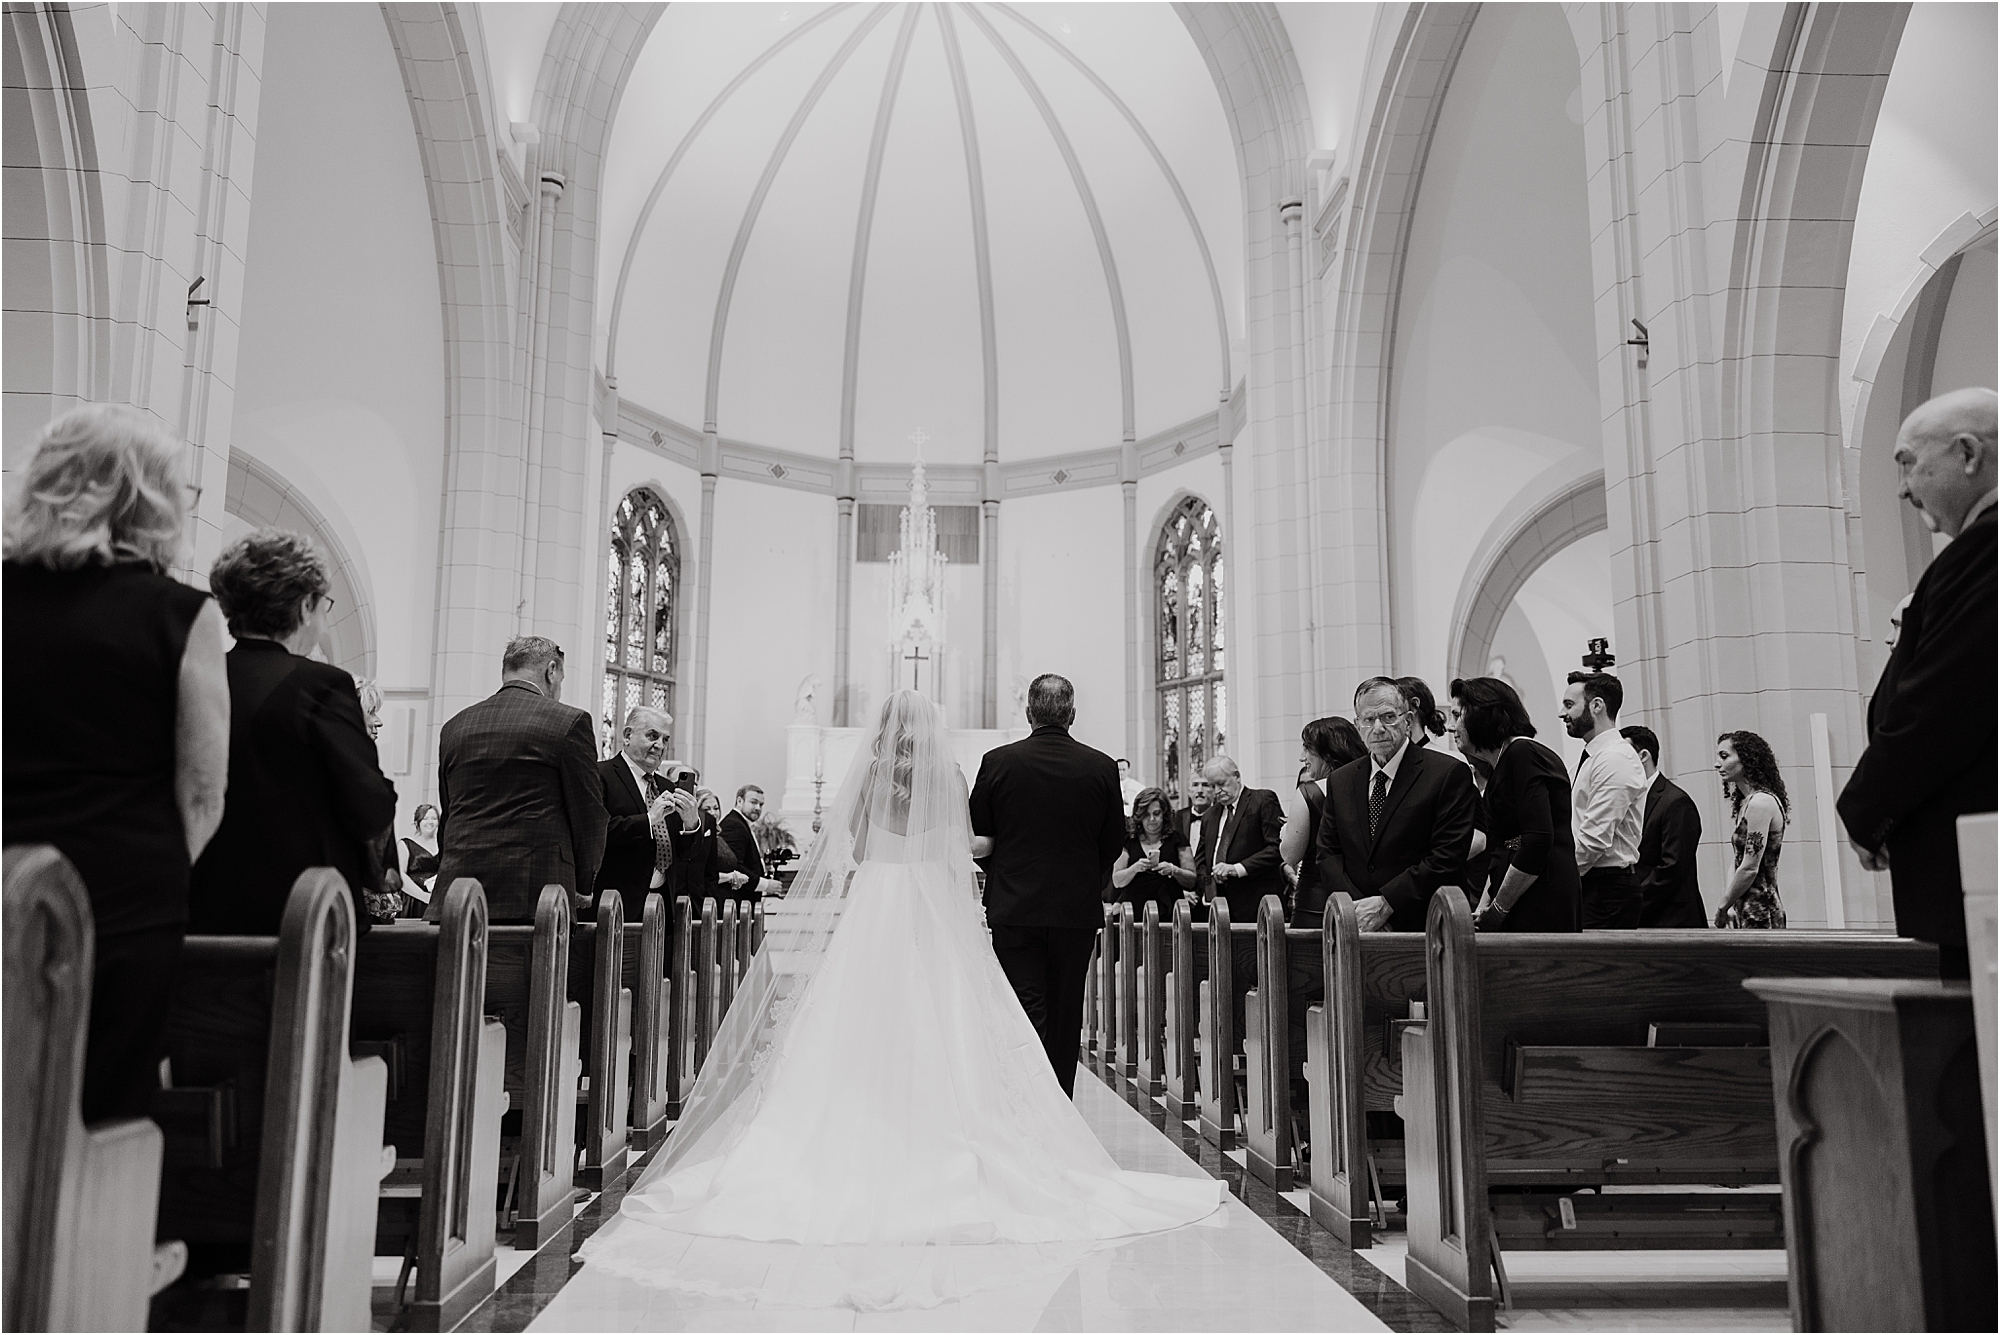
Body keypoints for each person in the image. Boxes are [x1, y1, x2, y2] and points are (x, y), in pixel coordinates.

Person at [576, 690, 1222, 1308]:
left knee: (855, 1020)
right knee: (946, 1015)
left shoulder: (869, 778)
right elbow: (960, 846)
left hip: (876, 904)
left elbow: (852, 848)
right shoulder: (944, 773)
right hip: (928, 905)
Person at [3, 403, 229, 1124]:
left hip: (5, 864)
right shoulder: (182, 614)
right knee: (97, 1110)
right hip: (126, 892)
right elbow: (202, 790)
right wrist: (156, 875)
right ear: (148, 501)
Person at [1839, 387, 1997, 979]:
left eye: (1908, 462)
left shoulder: (1987, 548)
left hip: (1979, 870)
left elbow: (1942, 704)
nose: (1902, 489)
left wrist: (1868, 809)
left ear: (1967, 453)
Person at [188, 530, 398, 935]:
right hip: (301, 914)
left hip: (202, 905)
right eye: (324, 607)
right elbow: (369, 805)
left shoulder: (198, 677)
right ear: (305, 606)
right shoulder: (320, 686)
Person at [969, 673, 1127, 1098]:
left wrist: (1004, 871)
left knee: (1023, 1006)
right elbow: (1114, 839)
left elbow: (977, 837)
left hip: (1014, 908)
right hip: (1074, 910)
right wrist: (1083, 878)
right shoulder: (1101, 766)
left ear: (1028, 714)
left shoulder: (997, 762)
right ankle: (1059, 1102)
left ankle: (1025, 1102)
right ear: (1072, 715)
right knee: (1065, 1010)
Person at [434, 636, 606, 923]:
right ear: (551, 671)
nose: (559, 690)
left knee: (460, 968)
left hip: (458, 893)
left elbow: (449, 810)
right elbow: (589, 814)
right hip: (536, 895)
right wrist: (584, 883)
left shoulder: (455, 726)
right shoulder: (568, 722)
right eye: (560, 680)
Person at [1317, 677, 1477, 932]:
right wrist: (1358, 908)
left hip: (1425, 924)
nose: (1378, 727)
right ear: (1358, 726)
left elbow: (1447, 855)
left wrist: (1386, 903)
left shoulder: (1447, 773)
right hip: (1355, 924)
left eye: (1388, 716)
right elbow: (1327, 853)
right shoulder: (1341, 780)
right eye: (1368, 719)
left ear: (1407, 720)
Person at [1448, 677, 1579, 932]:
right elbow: (1500, 849)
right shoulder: (1503, 762)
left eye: (1458, 714)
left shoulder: (1523, 753)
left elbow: (1537, 840)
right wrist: (1484, 909)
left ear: (1482, 714)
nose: (1453, 727)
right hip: (1517, 891)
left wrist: (1498, 909)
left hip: (1541, 892)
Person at [1562, 671, 1648, 929]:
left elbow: (1594, 840)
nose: (1562, 713)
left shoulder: (1615, 758)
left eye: (1569, 705)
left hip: (1608, 888)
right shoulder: (1588, 758)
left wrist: (1558, 879)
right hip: (1591, 882)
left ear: (1596, 705)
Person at [1280, 716, 1366, 929]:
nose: (1302, 757)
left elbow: (1290, 855)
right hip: (1364, 902)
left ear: (1327, 752)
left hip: (1316, 904)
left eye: (1307, 749)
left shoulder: (1310, 794)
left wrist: (1285, 832)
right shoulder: (1371, 786)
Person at [1622, 725, 1706, 928]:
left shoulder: (1675, 802)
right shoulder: (1626, 798)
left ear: (1643, 756)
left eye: (1623, 754)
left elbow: (1672, 867)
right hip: (1642, 917)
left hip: (1672, 919)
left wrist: (1633, 903)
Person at [595, 705, 674, 920]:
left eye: (665, 739)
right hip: (616, 903)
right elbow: (598, 832)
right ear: (628, 735)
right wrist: (649, 820)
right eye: (652, 736)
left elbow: (685, 853)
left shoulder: (667, 786)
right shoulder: (601, 775)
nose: (659, 745)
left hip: (665, 905)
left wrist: (691, 824)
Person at [1714, 731, 1788, 929]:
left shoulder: (1761, 803)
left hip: (1762, 909)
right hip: (1745, 905)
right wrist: (1729, 903)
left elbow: (1750, 867)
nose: (1717, 764)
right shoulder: (1747, 802)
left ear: (1746, 758)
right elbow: (1737, 860)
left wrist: (1723, 906)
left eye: (1724, 756)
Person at [1109, 786, 1195, 916]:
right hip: (1133, 913)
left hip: (1170, 910)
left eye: (1156, 814)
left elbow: (1191, 879)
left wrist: (1173, 870)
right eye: (1146, 815)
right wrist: (1135, 868)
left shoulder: (1177, 839)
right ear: (1139, 816)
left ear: (1164, 814)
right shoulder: (1129, 840)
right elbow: (1117, 881)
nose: (1151, 820)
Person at [718, 784, 784, 902]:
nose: (758, 808)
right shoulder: (733, 825)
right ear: (739, 801)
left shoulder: (741, 823)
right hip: (738, 900)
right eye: (753, 802)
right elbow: (734, 865)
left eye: (761, 804)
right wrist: (765, 884)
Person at [697, 787, 752, 898]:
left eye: (716, 808)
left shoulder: (718, 837)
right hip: (708, 897)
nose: (713, 813)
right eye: (706, 809)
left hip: (725, 895)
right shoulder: (699, 838)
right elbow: (701, 875)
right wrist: (730, 877)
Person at [400, 803, 441, 917]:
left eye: (434, 818)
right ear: (418, 822)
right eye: (425, 818)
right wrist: (423, 896)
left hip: (437, 900)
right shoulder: (405, 844)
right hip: (413, 899)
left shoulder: (443, 845)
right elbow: (400, 874)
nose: (430, 822)